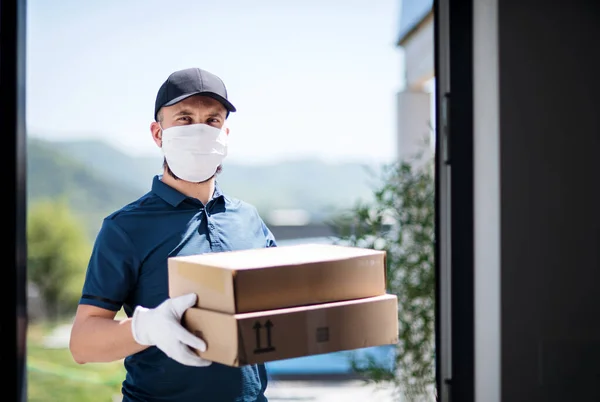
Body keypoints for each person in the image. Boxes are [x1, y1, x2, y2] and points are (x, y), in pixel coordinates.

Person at [69, 67, 277, 402]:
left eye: (212, 120)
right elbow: (82, 344)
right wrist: (146, 329)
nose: (200, 130)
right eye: (184, 118)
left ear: (226, 133)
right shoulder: (125, 227)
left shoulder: (249, 219)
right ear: (157, 133)